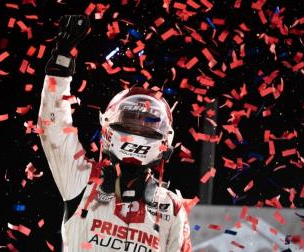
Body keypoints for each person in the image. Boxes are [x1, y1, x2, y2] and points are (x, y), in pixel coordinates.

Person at [38, 14, 192, 252]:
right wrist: (61, 63)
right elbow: (54, 129)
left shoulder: (171, 206)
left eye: (144, 126)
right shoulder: (82, 181)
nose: (137, 130)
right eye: (130, 124)